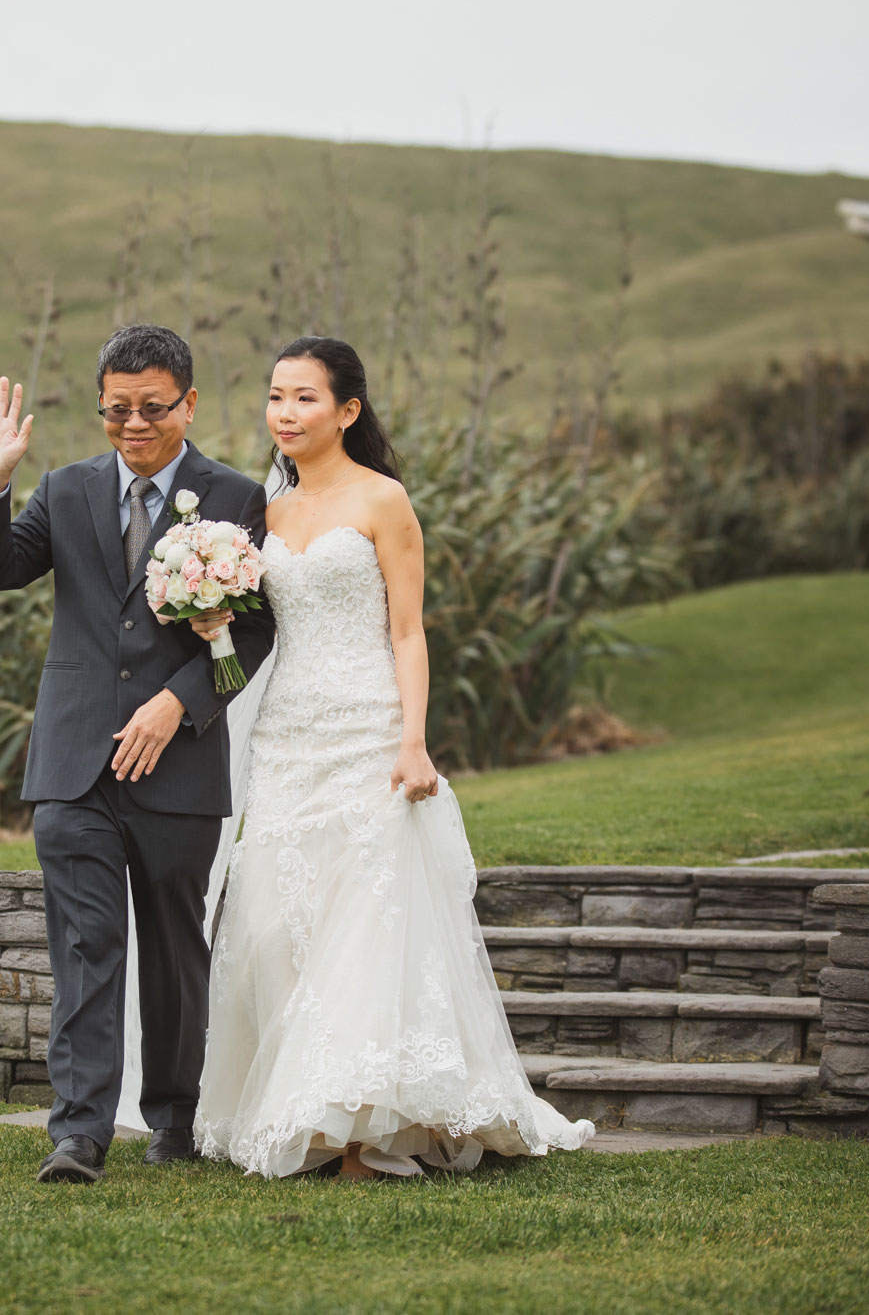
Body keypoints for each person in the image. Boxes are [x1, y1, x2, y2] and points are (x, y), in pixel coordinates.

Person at [192, 335, 596, 1179]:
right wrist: (214, 631)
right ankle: (297, 1108)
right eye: (275, 397)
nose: (285, 414)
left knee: (366, 927)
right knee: (274, 929)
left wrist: (414, 739)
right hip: (286, 735)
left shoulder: (384, 501)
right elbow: (244, 656)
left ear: (347, 409)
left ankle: (363, 1131)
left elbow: (409, 633)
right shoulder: (259, 516)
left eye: (305, 397)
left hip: (371, 730)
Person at [0, 324, 275, 1184]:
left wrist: (180, 703)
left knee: (174, 952)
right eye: (115, 409)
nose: (133, 424)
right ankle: (80, 1133)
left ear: (189, 403)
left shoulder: (236, 497)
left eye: (152, 408)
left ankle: (174, 1113)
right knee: (87, 944)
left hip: (178, 762)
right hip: (73, 763)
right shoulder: (62, 490)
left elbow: (253, 630)